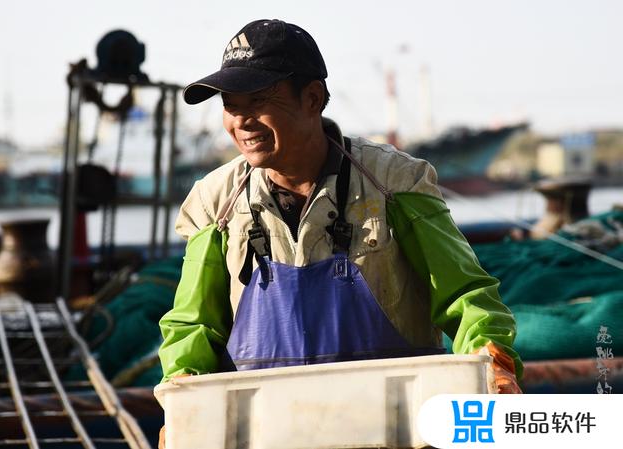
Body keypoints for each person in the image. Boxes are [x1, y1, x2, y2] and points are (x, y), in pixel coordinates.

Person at [158, 19, 522, 393]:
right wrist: (182, 392)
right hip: (266, 426)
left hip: (394, 419)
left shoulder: (394, 181)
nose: (241, 122)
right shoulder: (215, 201)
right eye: (231, 106)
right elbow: (194, 324)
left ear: (312, 98)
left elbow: (463, 294)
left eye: (258, 100)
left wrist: (493, 363)